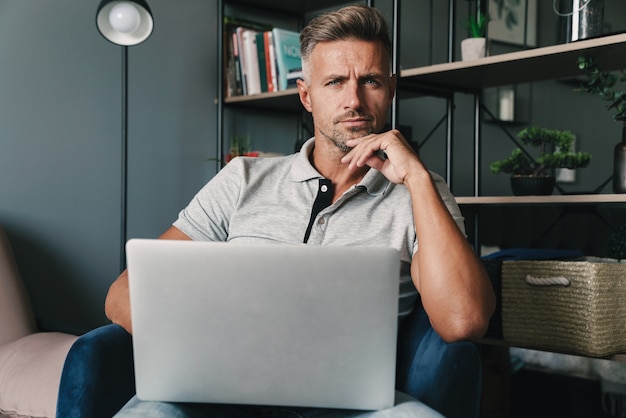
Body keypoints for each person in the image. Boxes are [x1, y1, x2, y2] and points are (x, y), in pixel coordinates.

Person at [105, 4, 496, 417]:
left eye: (371, 81)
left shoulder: (423, 192)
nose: (354, 100)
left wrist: (416, 178)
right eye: (334, 82)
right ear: (306, 95)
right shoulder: (243, 178)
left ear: (391, 90)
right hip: (218, 395)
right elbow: (122, 297)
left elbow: (463, 320)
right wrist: (212, 348)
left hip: (356, 405)